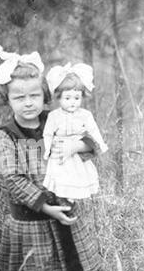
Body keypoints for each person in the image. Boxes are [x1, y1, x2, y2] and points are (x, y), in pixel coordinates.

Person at [0, 46, 102, 271]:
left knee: (65, 261)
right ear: (7, 99)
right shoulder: (5, 135)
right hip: (31, 216)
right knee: (36, 270)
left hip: (64, 204)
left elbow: (92, 141)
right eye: (19, 98)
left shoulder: (58, 119)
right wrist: (45, 206)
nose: (28, 102)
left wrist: (78, 146)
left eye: (34, 95)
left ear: (45, 95)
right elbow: (13, 180)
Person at [43, 63, 108, 210]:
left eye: (76, 98)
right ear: (59, 98)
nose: (72, 102)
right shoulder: (54, 116)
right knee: (61, 177)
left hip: (77, 153)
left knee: (77, 175)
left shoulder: (85, 115)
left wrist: (100, 143)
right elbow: (47, 133)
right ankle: (63, 200)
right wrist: (47, 150)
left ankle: (72, 202)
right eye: (67, 98)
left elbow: (93, 130)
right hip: (59, 153)